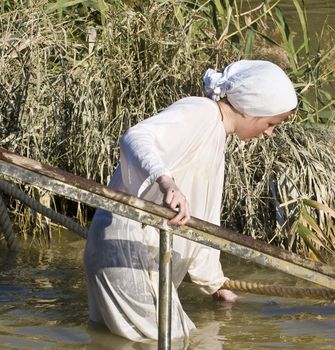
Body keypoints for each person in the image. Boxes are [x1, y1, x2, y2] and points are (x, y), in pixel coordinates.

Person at [83, 60, 298, 341]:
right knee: (180, 342)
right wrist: (166, 181)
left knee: (114, 342)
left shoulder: (215, 132)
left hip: (127, 252)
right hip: (129, 252)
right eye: (271, 123)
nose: (269, 133)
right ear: (252, 109)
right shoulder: (201, 113)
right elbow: (136, 137)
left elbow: (203, 217)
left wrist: (215, 283)